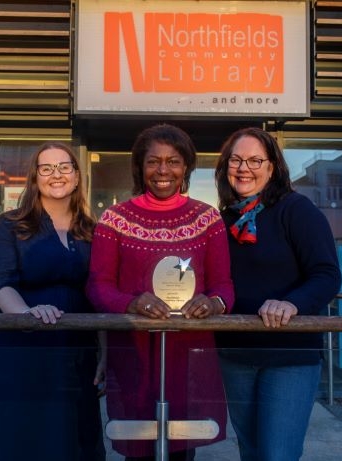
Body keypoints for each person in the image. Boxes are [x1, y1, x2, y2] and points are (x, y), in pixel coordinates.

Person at [86, 124, 234, 461]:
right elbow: (98, 286)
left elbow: (224, 286)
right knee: (137, 448)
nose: (163, 170)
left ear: (186, 168)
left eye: (174, 161)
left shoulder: (207, 218)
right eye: (153, 161)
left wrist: (213, 303)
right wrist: (131, 302)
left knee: (183, 448)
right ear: (139, 166)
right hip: (133, 354)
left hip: (189, 355)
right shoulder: (115, 219)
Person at [0, 142, 106, 461]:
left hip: (76, 350)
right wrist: (27, 314)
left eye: (64, 167)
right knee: (23, 436)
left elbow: (98, 294)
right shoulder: (11, 224)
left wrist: (105, 353)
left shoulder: (92, 231)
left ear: (77, 175)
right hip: (22, 349)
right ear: (35, 178)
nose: (56, 175)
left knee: (73, 437)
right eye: (47, 168)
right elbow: (1, 284)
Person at [213, 127, 342, 461]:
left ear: (272, 167)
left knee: (277, 454)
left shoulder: (297, 210)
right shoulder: (224, 219)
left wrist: (292, 303)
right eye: (236, 159)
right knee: (251, 451)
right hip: (235, 354)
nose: (244, 168)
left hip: (289, 355)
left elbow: (327, 275)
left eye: (255, 160)